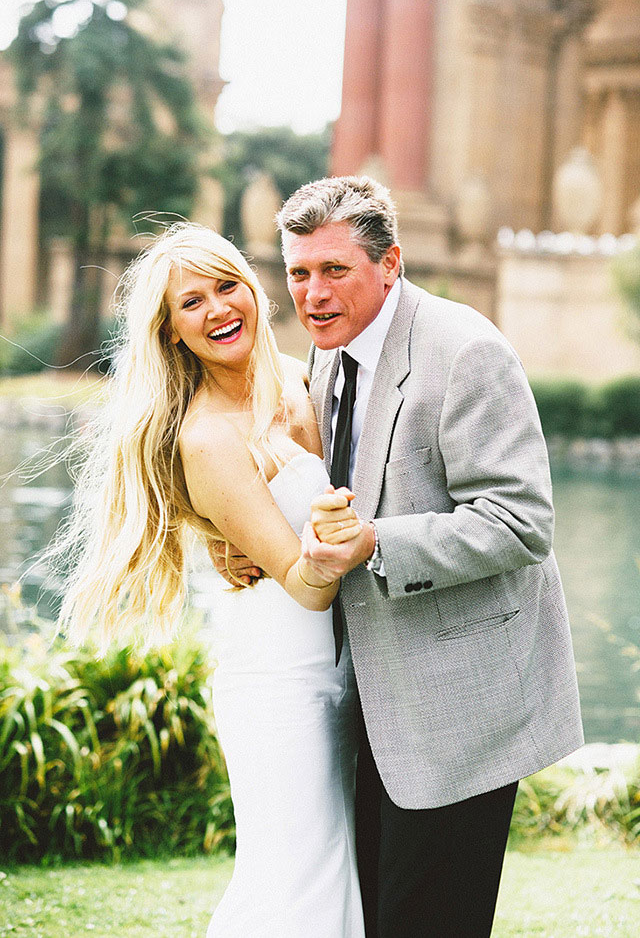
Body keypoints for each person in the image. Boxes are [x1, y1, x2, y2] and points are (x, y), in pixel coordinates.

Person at [275, 175, 584, 938]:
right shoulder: (326, 357)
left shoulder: (466, 351)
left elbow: (521, 521)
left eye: (335, 270)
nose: (313, 294)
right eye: (298, 273)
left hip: (459, 706)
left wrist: (379, 542)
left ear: (391, 264)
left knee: (429, 921)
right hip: (372, 705)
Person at [56, 223, 367, 938]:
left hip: (348, 674)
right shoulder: (207, 437)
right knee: (293, 891)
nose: (218, 309)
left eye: (227, 287)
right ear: (170, 334)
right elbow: (307, 584)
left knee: (340, 884)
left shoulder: (300, 376)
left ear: (252, 289)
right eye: (191, 303)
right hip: (280, 689)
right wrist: (326, 540)